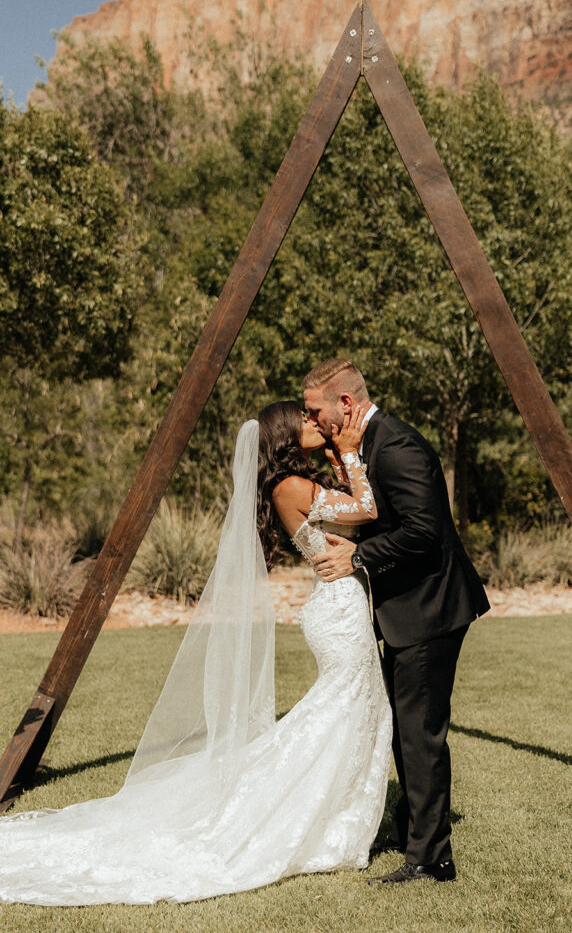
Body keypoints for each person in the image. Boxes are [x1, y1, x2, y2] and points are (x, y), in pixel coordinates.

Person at [0, 405, 392, 905]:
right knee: (341, 711)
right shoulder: (289, 488)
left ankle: (336, 821)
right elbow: (368, 508)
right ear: (284, 436)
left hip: (341, 603)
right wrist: (352, 452)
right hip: (337, 610)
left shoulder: (298, 481)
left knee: (353, 713)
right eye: (304, 418)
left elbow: (352, 511)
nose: (316, 421)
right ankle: (305, 820)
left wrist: (340, 458)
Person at [303, 359, 490, 885]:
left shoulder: (398, 444)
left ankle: (432, 861)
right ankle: (413, 834)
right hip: (406, 609)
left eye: (315, 409)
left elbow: (425, 531)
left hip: (430, 609)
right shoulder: (364, 447)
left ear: (344, 403)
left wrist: (357, 559)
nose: (311, 419)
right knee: (405, 731)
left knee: (420, 733)